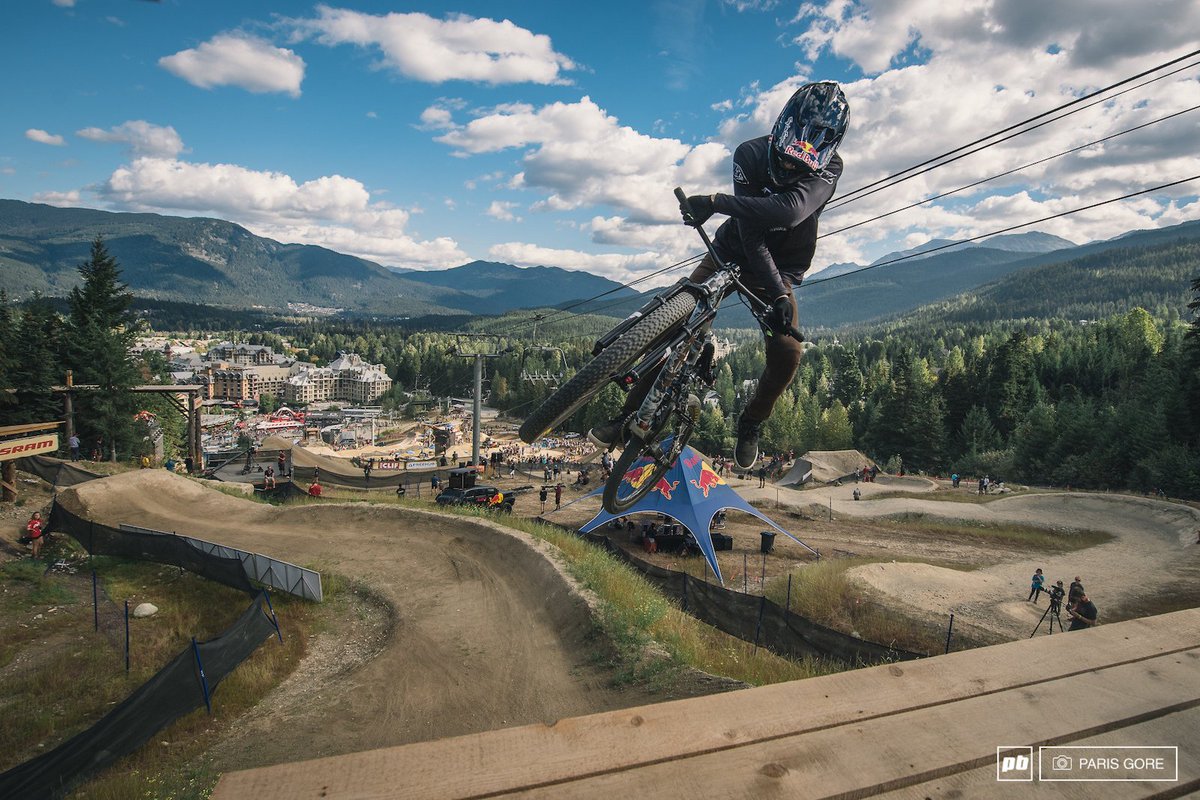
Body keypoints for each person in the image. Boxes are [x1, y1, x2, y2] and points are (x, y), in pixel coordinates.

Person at [588, 81, 849, 471]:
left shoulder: (831, 167)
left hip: (782, 270)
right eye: (787, 159)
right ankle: (626, 419)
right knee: (673, 322)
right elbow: (751, 233)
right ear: (781, 129)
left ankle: (752, 421)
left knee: (788, 352)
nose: (791, 167)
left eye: (801, 164)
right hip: (732, 249)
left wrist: (714, 203)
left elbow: (790, 211)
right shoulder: (750, 153)